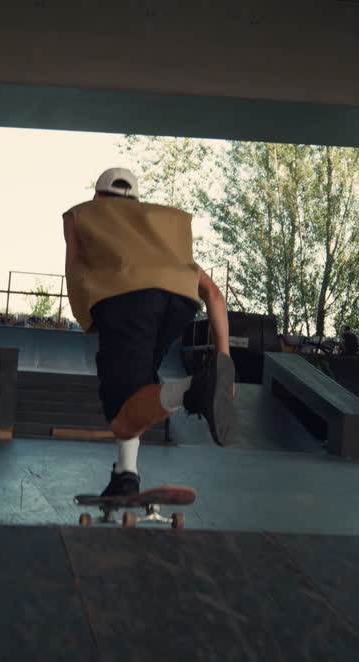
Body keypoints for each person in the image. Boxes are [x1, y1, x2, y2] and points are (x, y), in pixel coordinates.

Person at [63, 168, 238, 498]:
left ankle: (195, 388)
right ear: (136, 201)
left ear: (98, 197)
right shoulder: (161, 242)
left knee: (120, 415)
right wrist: (224, 358)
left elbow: (73, 266)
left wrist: (87, 315)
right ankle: (125, 473)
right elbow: (214, 293)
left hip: (128, 302)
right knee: (137, 394)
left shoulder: (85, 216)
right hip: (180, 303)